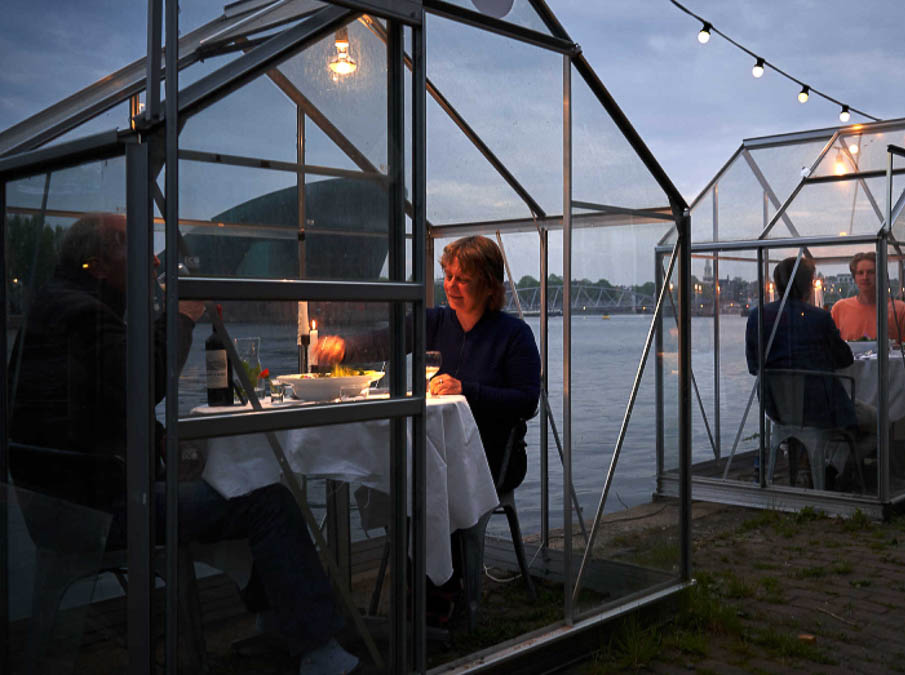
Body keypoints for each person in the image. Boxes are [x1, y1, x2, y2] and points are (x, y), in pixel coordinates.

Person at [8, 214, 357, 675]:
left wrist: (159, 442)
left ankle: (279, 625)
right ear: (97, 264)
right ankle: (318, 650)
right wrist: (181, 316)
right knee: (267, 501)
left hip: (59, 501)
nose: (153, 259)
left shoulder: (54, 308)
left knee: (242, 486)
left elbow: (96, 405)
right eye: (135, 246)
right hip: (101, 510)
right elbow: (146, 378)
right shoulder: (84, 315)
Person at [316, 235, 540, 494]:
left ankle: (444, 534)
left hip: (492, 456)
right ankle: (406, 532)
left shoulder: (514, 334)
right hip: (434, 449)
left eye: (463, 280)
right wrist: (344, 349)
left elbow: (526, 400)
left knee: (413, 480)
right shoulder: (432, 321)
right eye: (448, 276)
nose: (451, 286)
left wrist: (466, 390)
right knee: (381, 474)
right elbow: (386, 341)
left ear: (489, 286)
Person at [745, 256, 855, 488]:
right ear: (808, 286)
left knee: (804, 414)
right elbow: (844, 358)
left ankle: (808, 466)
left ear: (776, 285)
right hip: (820, 408)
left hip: (776, 407)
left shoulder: (757, 316)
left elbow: (754, 365)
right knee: (875, 422)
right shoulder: (819, 317)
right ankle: (835, 473)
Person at [831, 252, 905, 349]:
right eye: (860, 273)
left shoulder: (900, 310)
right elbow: (830, 347)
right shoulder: (839, 309)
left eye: (870, 272)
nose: (865, 277)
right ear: (855, 278)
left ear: (880, 275)